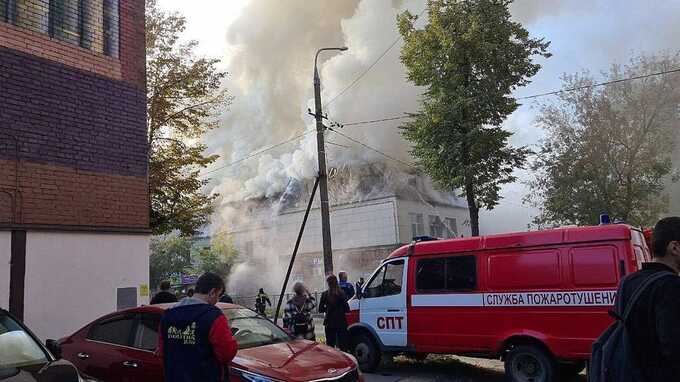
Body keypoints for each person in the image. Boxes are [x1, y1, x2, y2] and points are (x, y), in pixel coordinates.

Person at [617, 217, 680, 380]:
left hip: (628, 373)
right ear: (675, 247)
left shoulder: (627, 282)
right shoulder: (670, 286)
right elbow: (673, 348)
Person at [158, 272, 238, 382]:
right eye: (218, 296)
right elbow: (226, 354)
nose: (217, 301)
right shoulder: (214, 316)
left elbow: (162, 352)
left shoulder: (168, 315)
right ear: (212, 292)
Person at [319, 274, 350, 351]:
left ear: (328, 283)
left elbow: (320, 309)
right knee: (343, 345)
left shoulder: (324, 294)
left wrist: (327, 308)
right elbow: (347, 309)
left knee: (330, 346)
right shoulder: (342, 293)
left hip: (329, 322)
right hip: (341, 322)